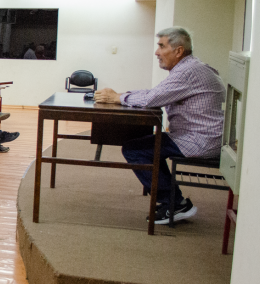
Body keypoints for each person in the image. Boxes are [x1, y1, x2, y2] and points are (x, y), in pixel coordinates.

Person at [95, 27, 226, 224]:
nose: (157, 52)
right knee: (142, 145)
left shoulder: (188, 71)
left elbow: (152, 98)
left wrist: (118, 97)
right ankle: (173, 200)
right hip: (202, 136)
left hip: (200, 140)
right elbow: (156, 93)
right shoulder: (190, 67)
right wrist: (121, 96)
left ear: (178, 51)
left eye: (161, 46)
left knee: (135, 150)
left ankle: (175, 204)